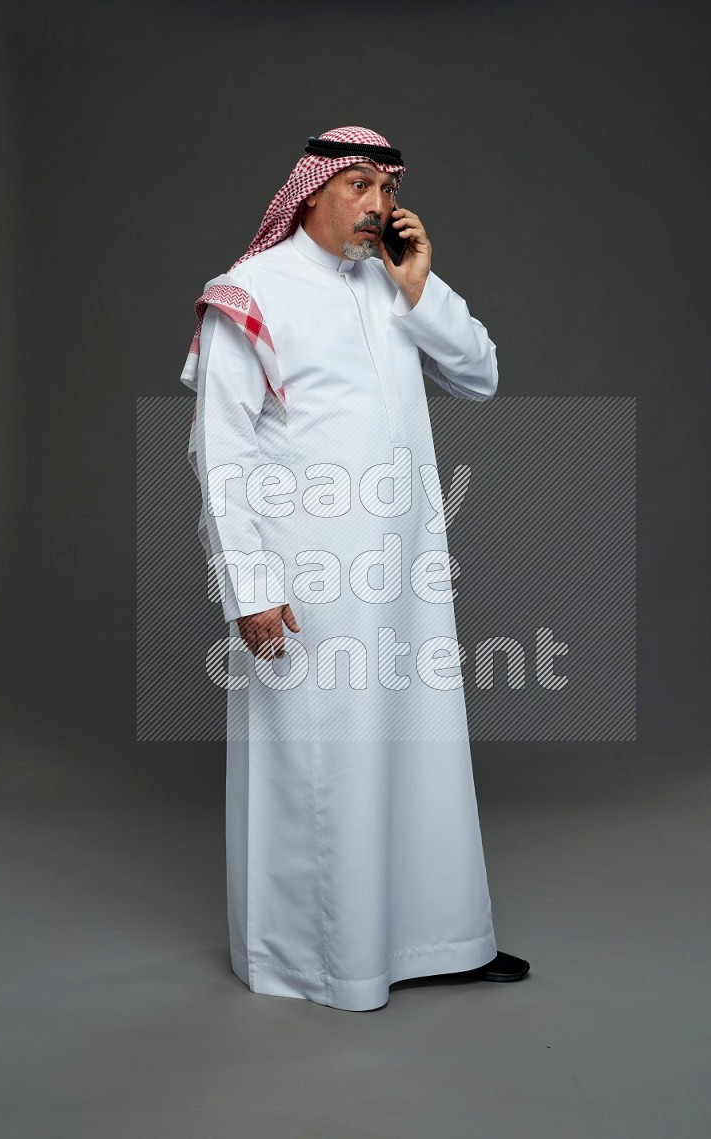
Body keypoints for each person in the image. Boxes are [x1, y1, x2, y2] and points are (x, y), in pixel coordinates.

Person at [180, 125, 530, 1011]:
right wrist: (249, 589)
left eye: (387, 187)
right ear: (311, 190)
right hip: (311, 581)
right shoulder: (251, 289)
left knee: (421, 750)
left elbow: (481, 376)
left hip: (406, 574)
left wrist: (420, 290)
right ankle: (329, 962)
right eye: (360, 185)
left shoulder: (391, 280)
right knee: (325, 759)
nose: (377, 205)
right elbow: (221, 453)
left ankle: (442, 940)